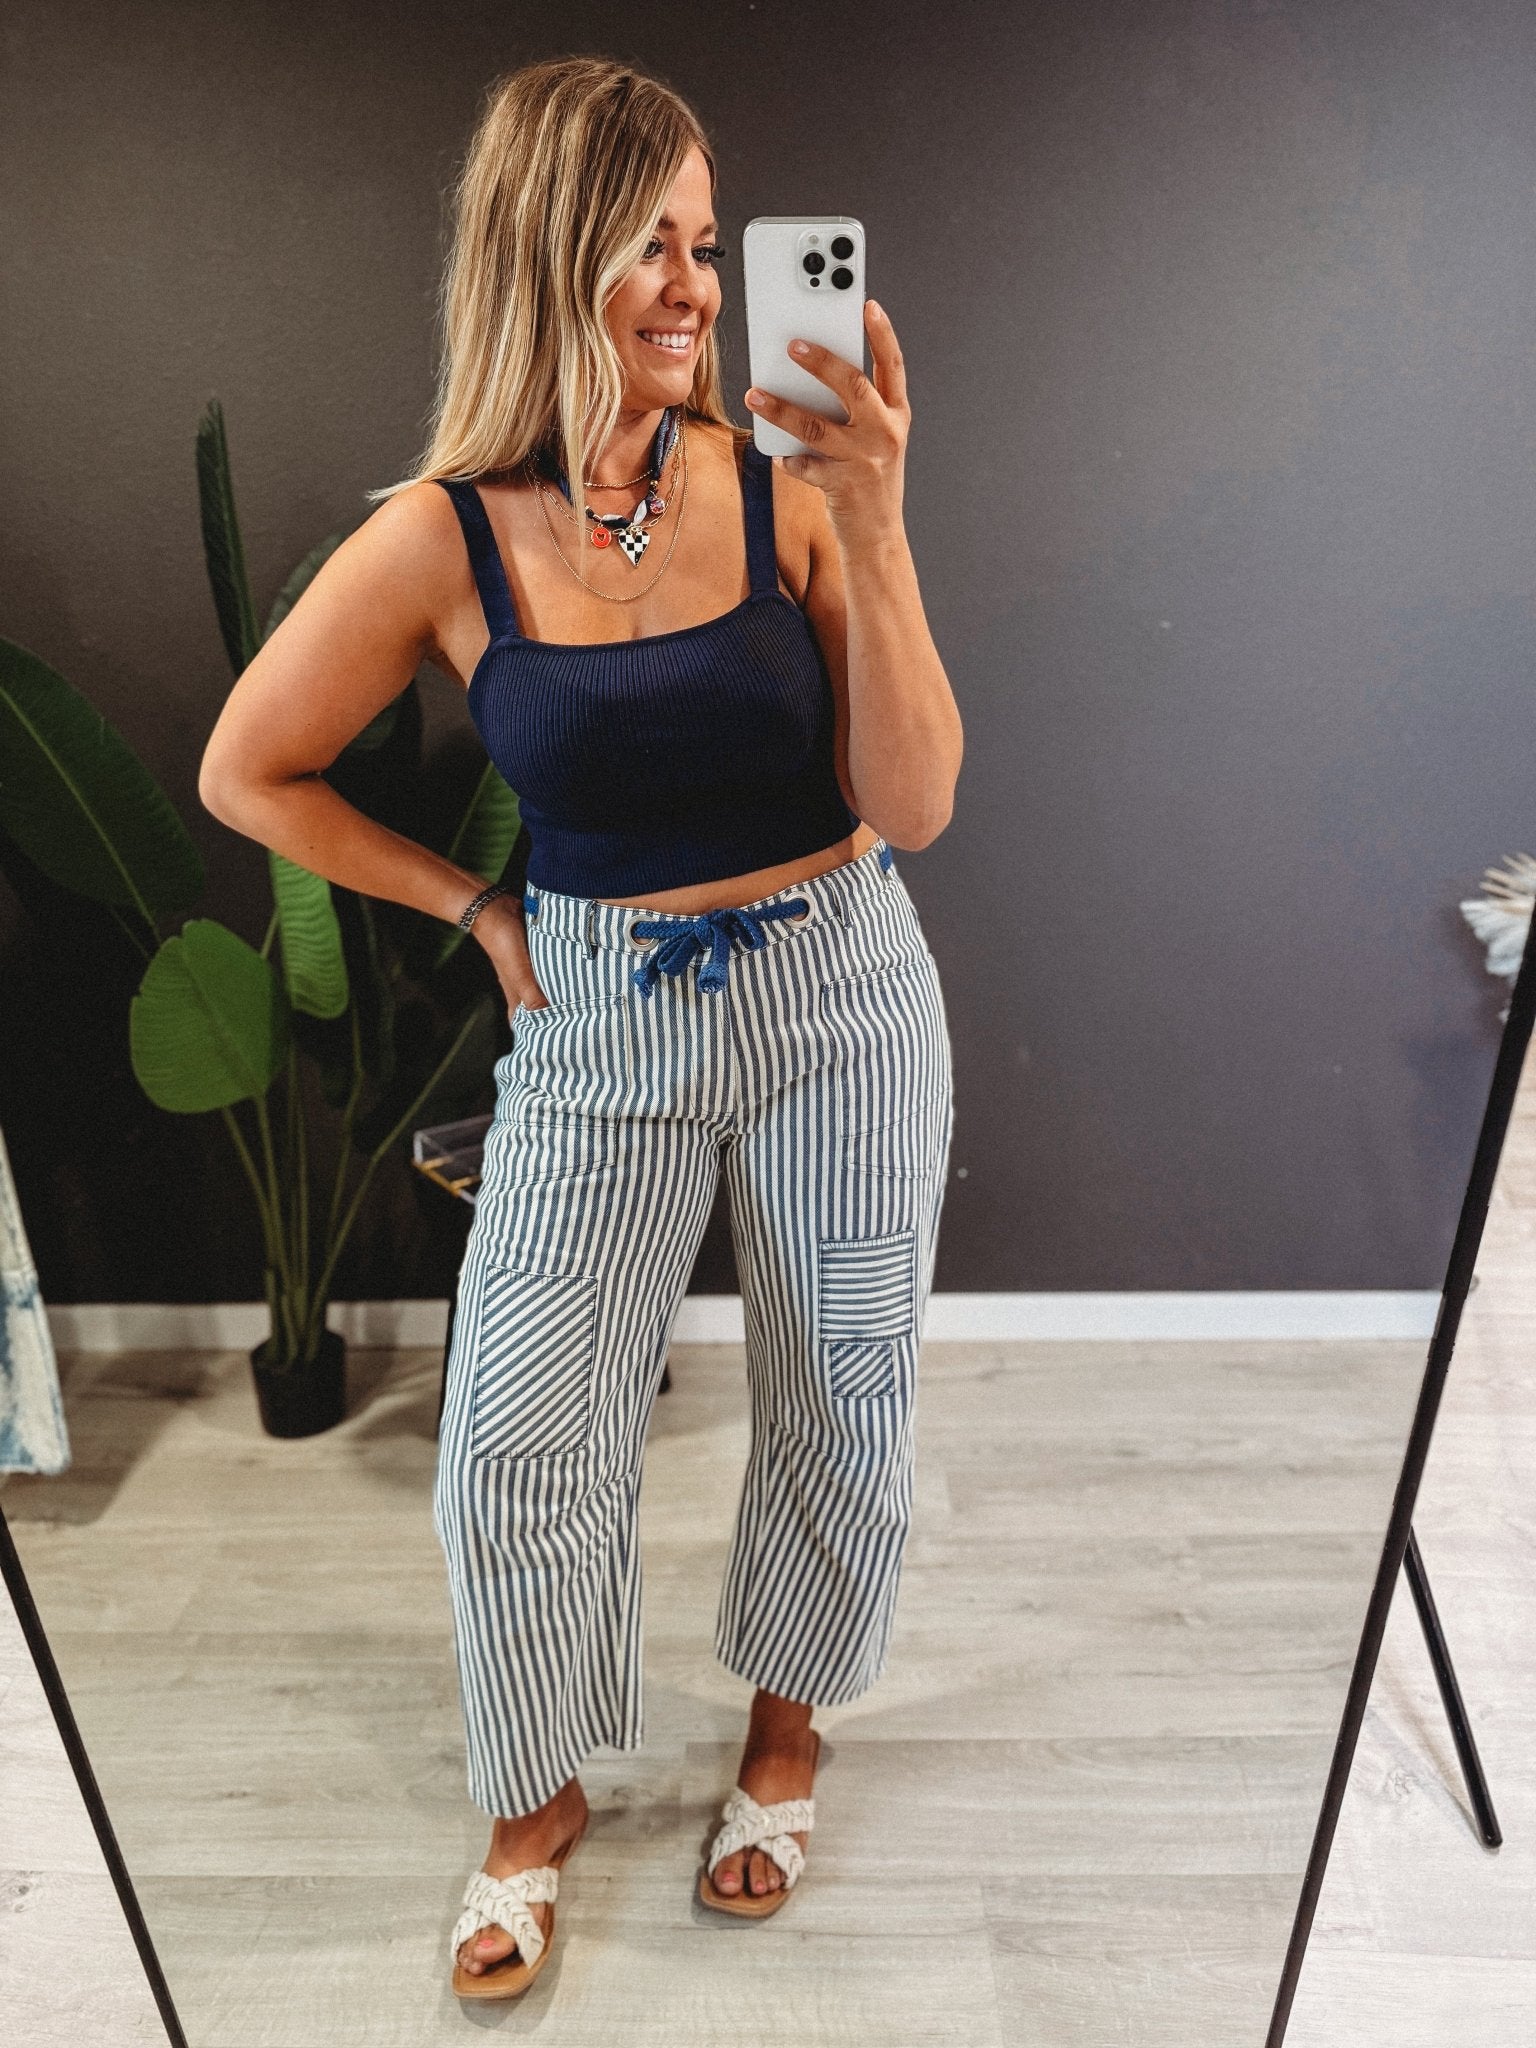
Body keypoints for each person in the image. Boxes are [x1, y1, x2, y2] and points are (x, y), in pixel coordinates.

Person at [198, 54, 962, 2000]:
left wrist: (877, 523)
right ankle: (533, 1803)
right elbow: (248, 769)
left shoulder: (790, 486)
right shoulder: (437, 537)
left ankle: (782, 1734)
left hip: (839, 988)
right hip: (603, 1021)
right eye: (652, 242)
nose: (697, 286)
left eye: (709, 243)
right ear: (547, 251)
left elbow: (920, 801)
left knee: (841, 1383)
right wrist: (473, 905)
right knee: (517, 1436)